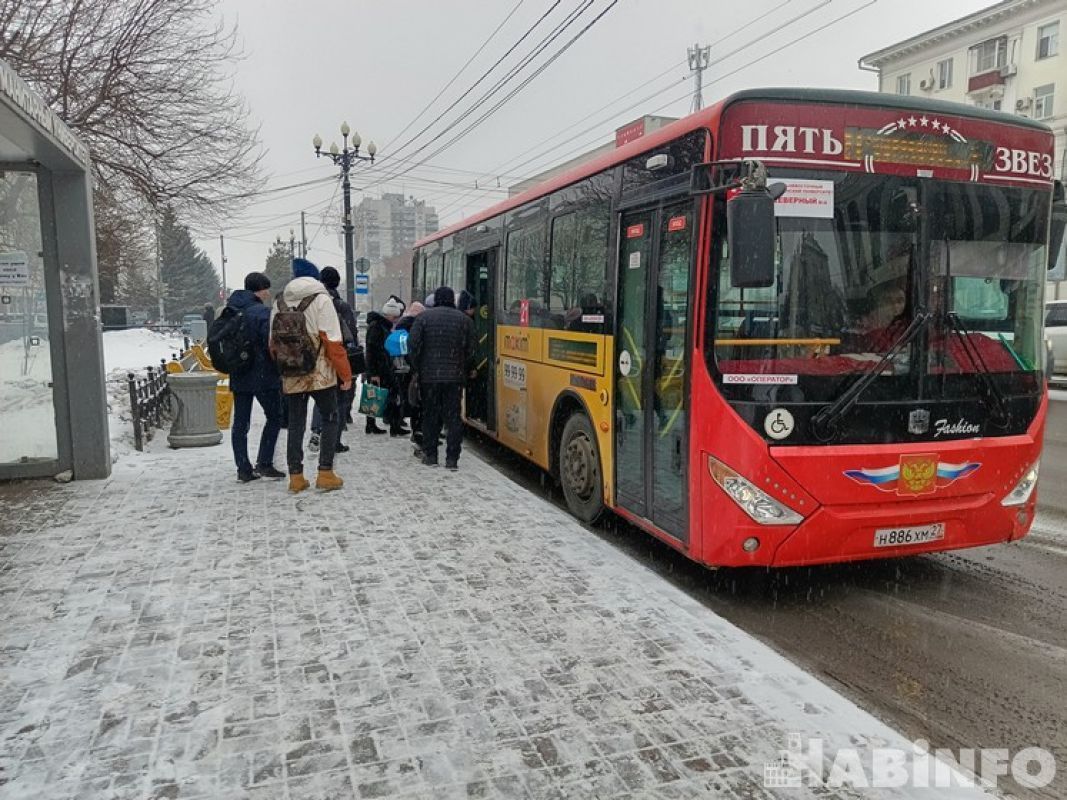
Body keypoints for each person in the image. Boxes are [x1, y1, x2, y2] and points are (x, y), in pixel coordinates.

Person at [270, 257, 352, 492]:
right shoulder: (321, 299)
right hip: (321, 372)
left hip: (291, 370)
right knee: (330, 417)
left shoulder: (279, 301)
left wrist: (286, 363)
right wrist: (345, 375)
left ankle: (296, 477)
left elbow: (272, 343)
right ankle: (325, 473)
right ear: (315, 278)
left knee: (296, 423)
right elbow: (333, 342)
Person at [226, 272, 285, 482]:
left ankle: (243, 467)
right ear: (259, 290)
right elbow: (271, 343)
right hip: (262, 374)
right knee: (275, 416)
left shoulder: (230, 309)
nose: (268, 293)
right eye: (266, 288)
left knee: (241, 423)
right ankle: (265, 463)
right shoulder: (262, 313)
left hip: (239, 371)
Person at [409, 286, 475, 470]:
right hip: (454, 378)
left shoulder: (423, 318)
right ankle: (452, 459)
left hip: (429, 378)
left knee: (430, 415)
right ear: (452, 301)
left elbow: (412, 345)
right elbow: (471, 349)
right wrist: (464, 368)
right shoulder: (464, 320)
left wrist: (418, 367)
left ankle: (431, 455)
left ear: (436, 299)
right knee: (453, 417)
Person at [309, 266, 360, 453]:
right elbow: (351, 336)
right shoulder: (341, 305)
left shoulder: (314, 302)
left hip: (318, 358)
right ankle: (334, 440)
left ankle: (316, 430)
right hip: (337, 357)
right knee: (338, 400)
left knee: (321, 397)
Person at [364, 297, 404, 435]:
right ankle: (391, 425)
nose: (396, 320)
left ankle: (374, 425)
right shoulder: (377, 327)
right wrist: (373, 372)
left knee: (375, 395)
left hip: (382, 367)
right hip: (380, 368)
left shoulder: (380, 326)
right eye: (395, 317)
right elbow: (371, 350)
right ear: (390, 315)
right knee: (381, 395)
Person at [390, 301, 424, 446]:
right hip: (410, 368)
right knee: (415, 400)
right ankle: (416, 431)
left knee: (405, 397)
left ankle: (404, 425)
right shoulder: (414, 325)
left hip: (400, 367)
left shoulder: (401, 324)